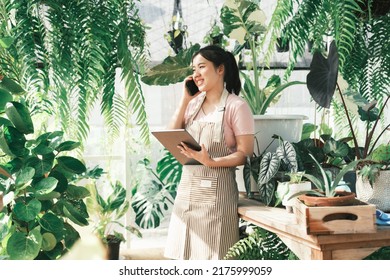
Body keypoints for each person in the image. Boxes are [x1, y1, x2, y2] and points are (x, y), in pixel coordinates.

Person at [164, 45, 254, 260]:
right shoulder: (193, 105)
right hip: (187, 192)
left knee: (215, 260)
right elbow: (170, 134)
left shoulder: (236, 106)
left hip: (217, 197)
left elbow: (244, 153)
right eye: (193, 69)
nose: (195, 74)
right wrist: (185, 99)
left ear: (220, 69)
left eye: (201, 67)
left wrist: (211, 161)